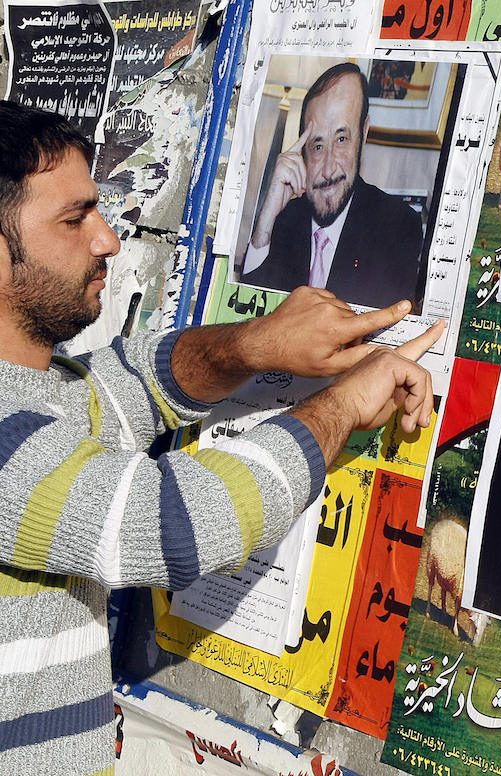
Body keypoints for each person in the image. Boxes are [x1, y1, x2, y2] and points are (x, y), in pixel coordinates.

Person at [0, 100, 441, 771]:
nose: (108, 239)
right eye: (74, 218)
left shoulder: (39, 392)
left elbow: (131, 381)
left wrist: (256, 342)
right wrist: (344, 404)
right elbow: (176, 523)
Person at [241, 62, 424, 309]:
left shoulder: (398, 227)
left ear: (364, 132)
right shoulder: (284, 221)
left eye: (341, 139)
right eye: (317, 146)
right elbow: (245, 313)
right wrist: (265, 222)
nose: (328, 170)